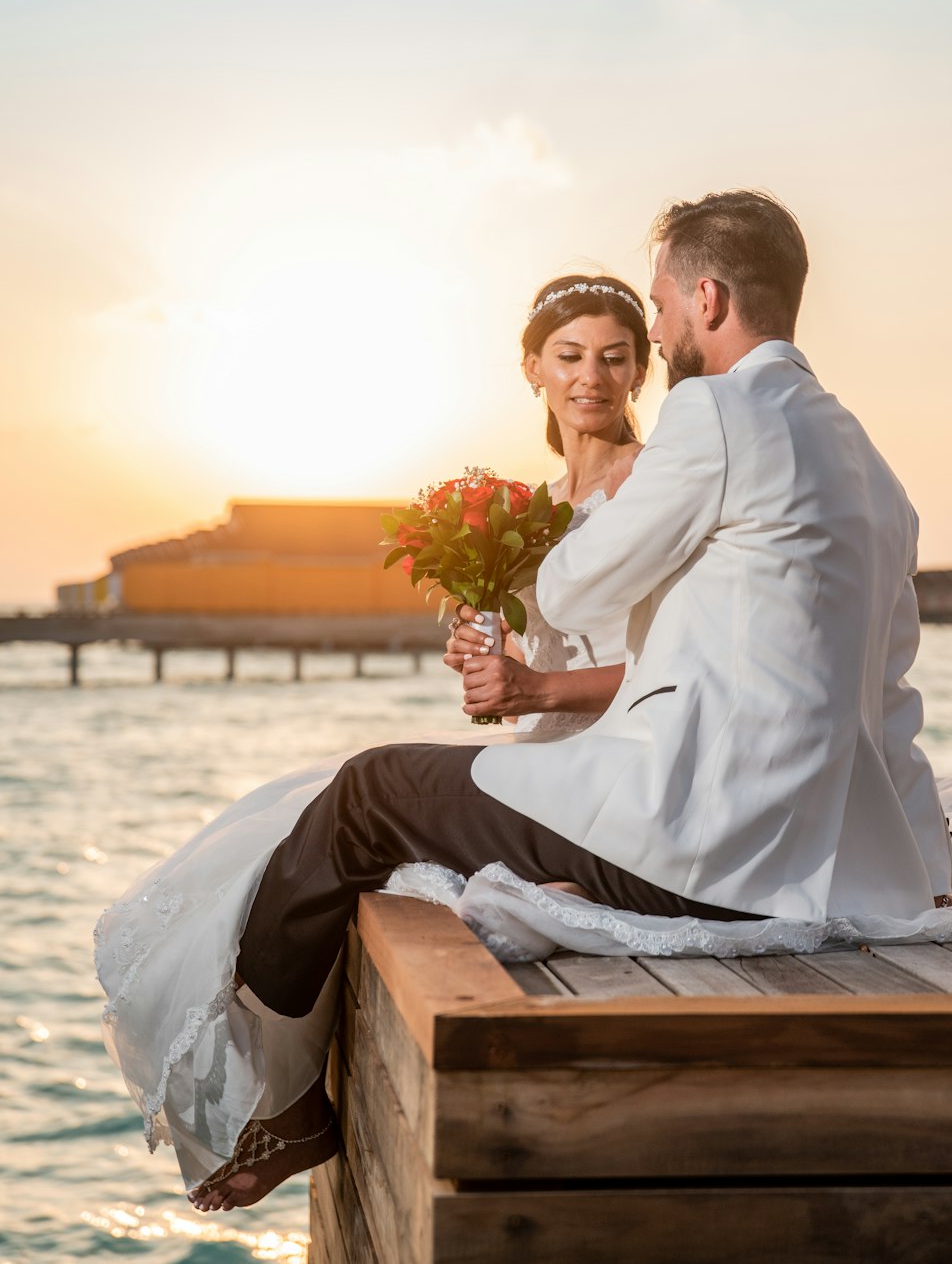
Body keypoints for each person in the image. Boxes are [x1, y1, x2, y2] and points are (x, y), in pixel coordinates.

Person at [213, 188, 952, 1211]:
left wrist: (537, 584)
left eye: (656, 307)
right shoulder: (867, 459)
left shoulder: (721, 411)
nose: (652, 335)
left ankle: (279, 1087)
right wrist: (922, 863)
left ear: (704, 296)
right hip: (822, 857)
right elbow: (889, 692)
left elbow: (574, 586)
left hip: (700, 840)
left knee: (370, 785)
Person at [94, 269, 655, 1211]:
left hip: (619, 757)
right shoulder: (537, 502)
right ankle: (282, 1083)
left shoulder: (652, 486)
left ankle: (291, 1104)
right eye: (570, 356)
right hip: (548, 746)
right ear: (533, 368)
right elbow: (533, 661)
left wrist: (536, 683)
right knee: (287, 814)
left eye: (615, 357)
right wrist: (489, 654)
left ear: (641, 369)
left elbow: (676, 662)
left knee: (362, 793)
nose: (592, 377)